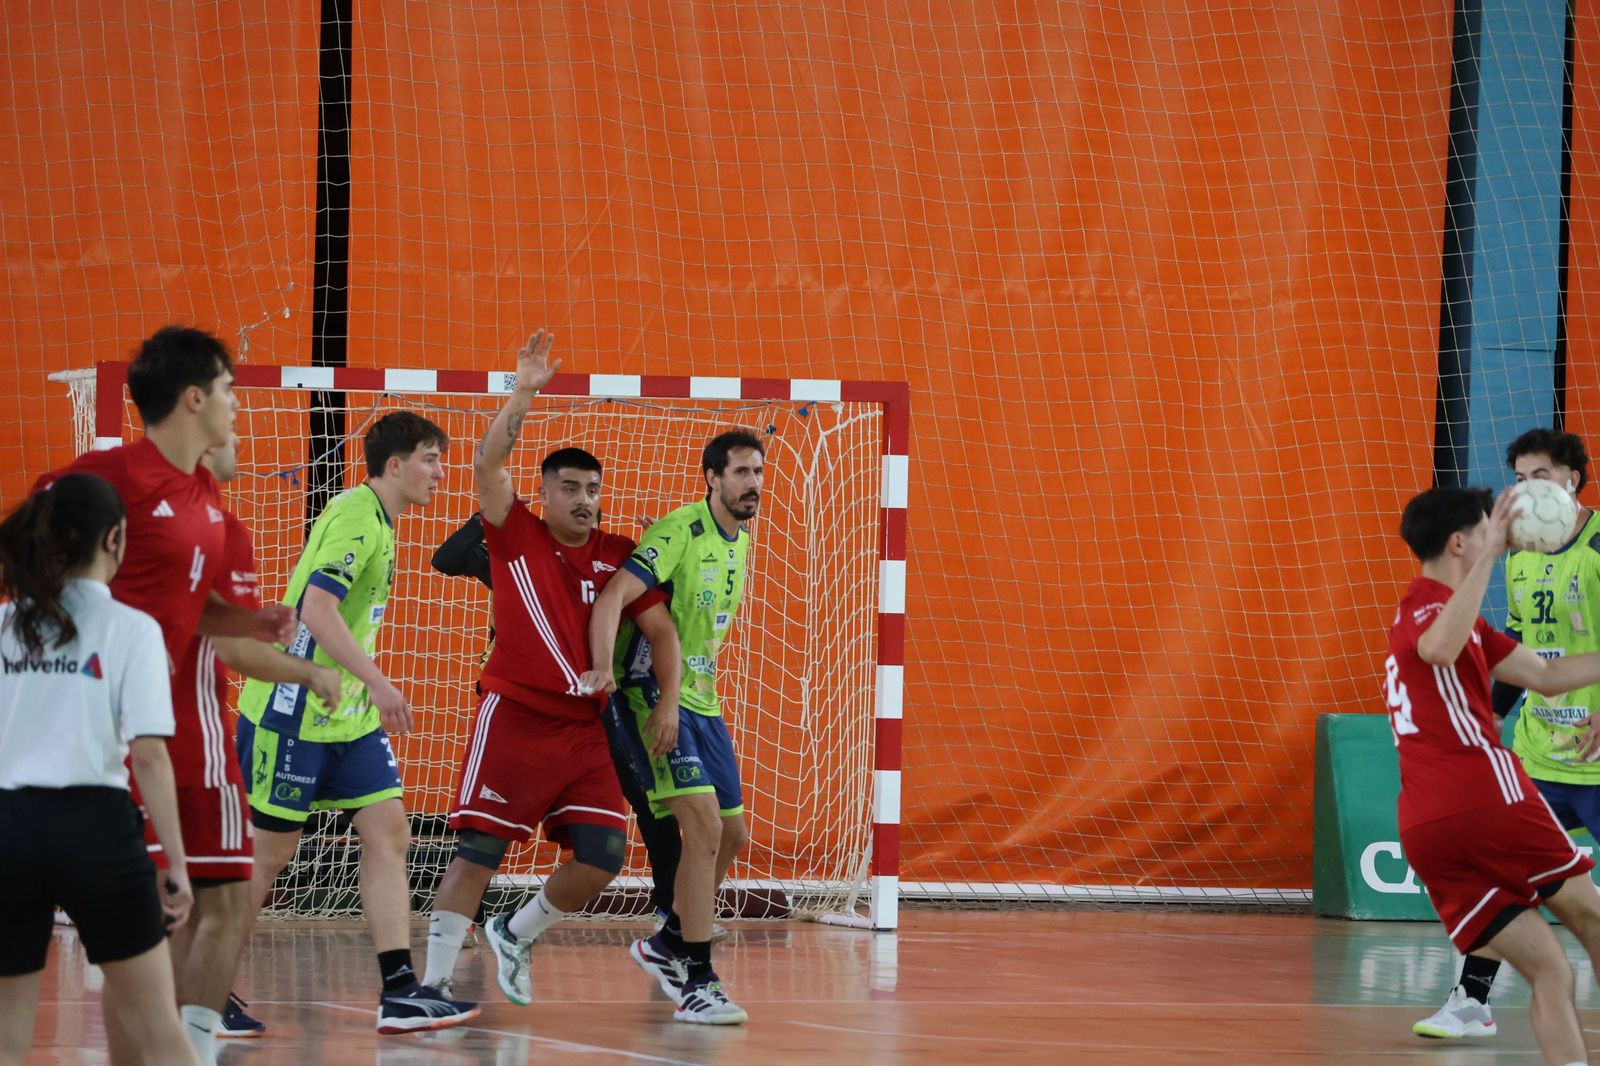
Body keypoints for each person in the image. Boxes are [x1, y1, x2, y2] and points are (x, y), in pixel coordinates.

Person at [31, 326, 295, 1062]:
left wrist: (255, 624)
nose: (237, 405)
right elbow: (34, 530)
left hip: (162, 727)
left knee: (171, 914)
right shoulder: (111, 475)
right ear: (194, 398)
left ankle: (178, 1049)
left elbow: (196, 613)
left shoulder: (207, 503)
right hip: (117, 732)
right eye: (229, 389)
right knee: (151, 920)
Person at [420, 329, 682, 1008]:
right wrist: (524, 391)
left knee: (602, 857)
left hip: (585, 729)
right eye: (570, 488)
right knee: (478, 854)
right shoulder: (516, 535)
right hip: (515, 717)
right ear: (543, 493)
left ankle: (515, 932)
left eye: (593, 489)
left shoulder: (621, 552)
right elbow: (487, 463)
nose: (584, 499)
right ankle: (432, 984)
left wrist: (669, 700)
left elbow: (661, 627)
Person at [235, 410, 480, 1034]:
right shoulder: (355, 516)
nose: (440, 473)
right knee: (272, 852)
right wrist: (377, 681)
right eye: (430, 460)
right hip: (293, 713)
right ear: (395, 466)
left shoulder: (379, 519)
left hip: (348, 719)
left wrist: (363, 692)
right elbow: (316, 609)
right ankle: (204, 991)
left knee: (389, 831)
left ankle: (400, 991)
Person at [429, 511, 727, 942]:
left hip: (597, 702)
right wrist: (486, 520)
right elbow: (446, 559)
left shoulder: (612, 570)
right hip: (524, 706)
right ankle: (470, 918)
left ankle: (668, 910)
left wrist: (662, 558)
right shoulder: (525, 563)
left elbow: (665, 615)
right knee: (489, 825)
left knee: (648, 803)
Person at [141, 437, 341, 1057]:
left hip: (100, 754)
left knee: (149, 927)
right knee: (220, 903)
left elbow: (205, 625)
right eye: (226, 406)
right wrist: (309, 671)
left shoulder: (124, 503)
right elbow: (229, 650)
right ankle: (194, 1044)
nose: (237, 429)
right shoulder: (215, 529)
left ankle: (174, 1041)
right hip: (186, 749)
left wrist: (250, 624)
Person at [1389, 485, 1600, 1066]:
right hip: (1486, 798)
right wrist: (1491, 557)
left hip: (1425, 828)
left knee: (1551, 969)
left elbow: (1545, 677)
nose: (1499, 539)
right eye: (1488, 530)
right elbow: (1438, 648)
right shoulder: (1430, 609)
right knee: (1592, 918)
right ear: (1460, 543)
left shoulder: (1455, 622)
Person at [0, 474, 199, 1066]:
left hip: (9, 827)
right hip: (96, 829)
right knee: (160, 1033)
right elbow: (149, 754)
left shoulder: (5, 624)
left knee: (6, 1041)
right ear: (114, 538)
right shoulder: (132, 628)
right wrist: (176, 864)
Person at [584, 428, 767, 1025]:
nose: (753, 484)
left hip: (704, 701)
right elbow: (613, 596)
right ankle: (698, 978)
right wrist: (603, 671)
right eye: (740, 472)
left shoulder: (741, 539)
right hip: (652, 695)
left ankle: (667, 941)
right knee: (703, 826)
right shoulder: (679, 531)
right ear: (712, 477)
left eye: (758, 472)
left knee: (732, 835)